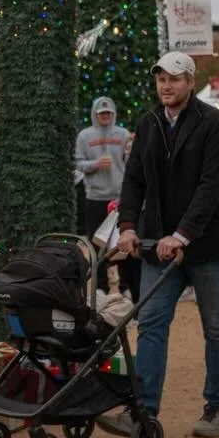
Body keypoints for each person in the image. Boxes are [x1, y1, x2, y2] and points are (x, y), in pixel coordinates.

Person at [104, 51, 219, 438]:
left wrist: (181, 235)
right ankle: (142, 410)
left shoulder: (215, 124)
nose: (167, 85)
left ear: (191, 82)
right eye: (161, 78)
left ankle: (216, 408)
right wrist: (127, 226)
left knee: (215, 327)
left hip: (208, 244)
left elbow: (212, 187)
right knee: (151, 324)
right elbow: (134, 180)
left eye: (175, 78)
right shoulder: (148, 124)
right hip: (156, 243)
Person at [75, 97, 131, 292]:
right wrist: (95, 164)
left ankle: (125, 286)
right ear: (95, 115)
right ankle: (101, 287)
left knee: (123, 242)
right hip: (96, 198)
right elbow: (78, 163)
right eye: (102, 114)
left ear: (113, 114)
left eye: (108, 113)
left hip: (120, 198)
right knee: (97, 243)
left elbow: (130, 162)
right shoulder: (85, 136)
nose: (105, 117)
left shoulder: (123, 134)